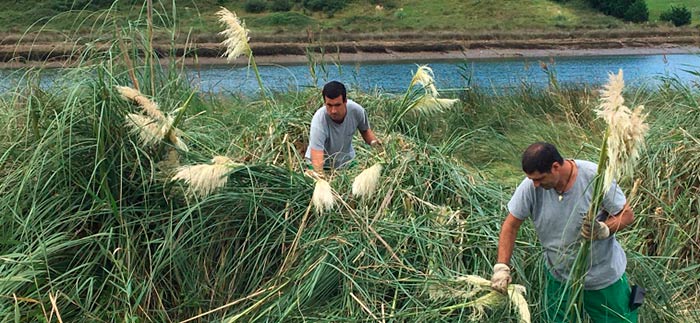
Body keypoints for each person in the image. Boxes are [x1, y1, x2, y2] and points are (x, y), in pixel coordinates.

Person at [491, 142, 638, 322]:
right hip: (559, 277)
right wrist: (501, 267)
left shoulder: (594, 176)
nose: (535, 185)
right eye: (531, 179)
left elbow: (627, 215)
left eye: (540, 179)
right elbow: (510, 226)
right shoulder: (530, 187)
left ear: (555, 167)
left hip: (602, 277)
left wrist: (604, 229)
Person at [306, 81, 380, 173]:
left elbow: (365, 131)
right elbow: (317, 158)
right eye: (329, 105)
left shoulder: (357, 111)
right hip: (321, 163)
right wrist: (321, 178)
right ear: (325, 103)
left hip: (346, 162)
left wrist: (379, 151)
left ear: (345, 101)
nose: (333, 111)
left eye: (337, 105)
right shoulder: (319, 120)